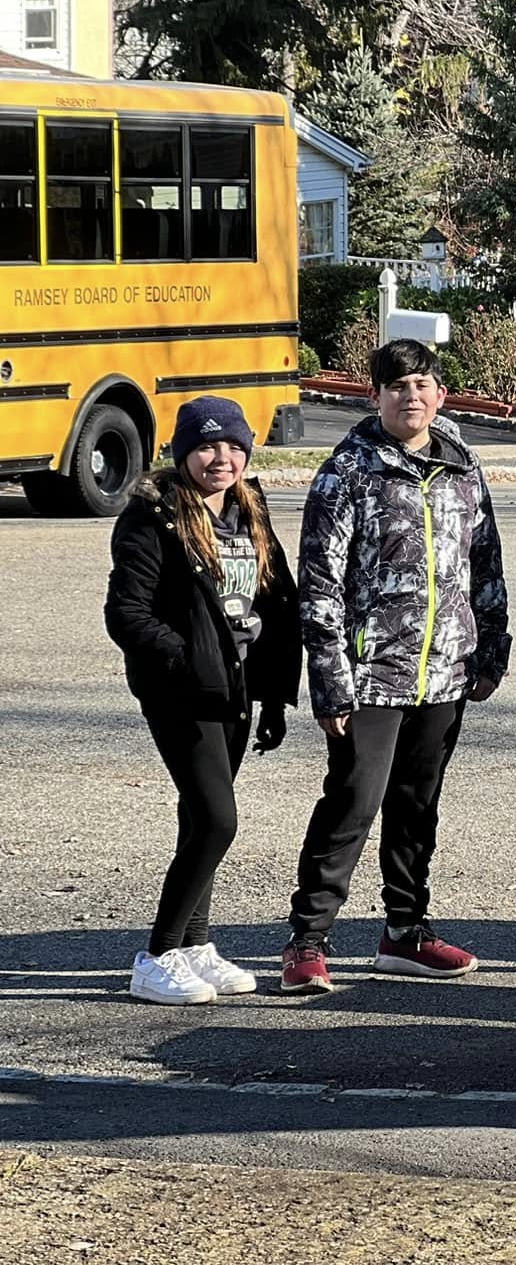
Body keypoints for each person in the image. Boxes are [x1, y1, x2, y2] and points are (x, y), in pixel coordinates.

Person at [282, 338, 512, 994]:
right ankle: (307, 941)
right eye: (397, 385)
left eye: (423, 384)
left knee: (418, 805)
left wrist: (491, 647)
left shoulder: (464, 468)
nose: (411, 395)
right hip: (369, 673)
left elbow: (485, 564)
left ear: (440, 396)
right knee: (354, 801)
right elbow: (320, 583)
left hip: (446, 670)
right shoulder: (348, 472)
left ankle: (405, 933)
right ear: (375, 395)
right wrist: (329, 680)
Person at [105, 397, 299, 1005]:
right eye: (207, 446)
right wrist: (188, 660)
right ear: (183, 451)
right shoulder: (152, 517)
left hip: (235, 690)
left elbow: (273, 601)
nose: (222, 458)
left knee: (199, 819)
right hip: (182, 693)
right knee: (218, 819)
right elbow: (126, 615)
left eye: (234, 446)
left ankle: (195, 944)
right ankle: (158, 953)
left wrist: (272, 697)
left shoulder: (250, 509)